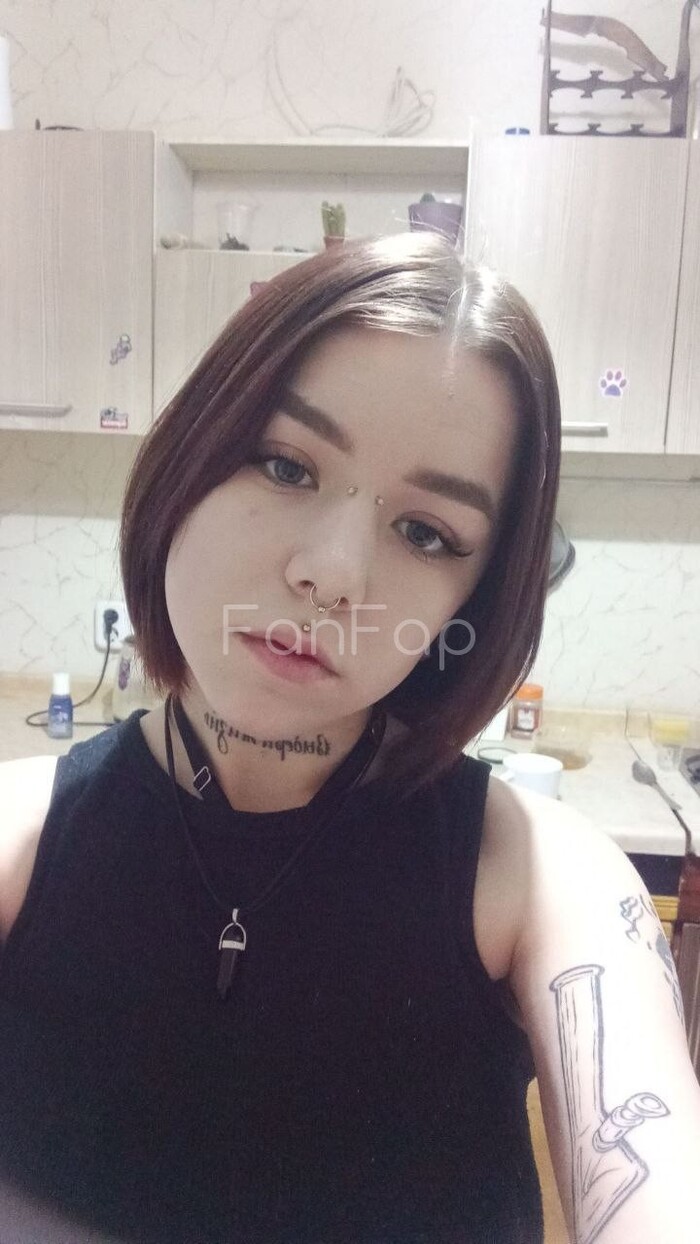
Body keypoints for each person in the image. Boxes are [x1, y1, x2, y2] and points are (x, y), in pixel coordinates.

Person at [0, 231, 698, 1244]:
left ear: (471, 598)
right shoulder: (22, 839)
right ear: (189, 457)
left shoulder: (543, 880)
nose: (332, 574)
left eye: (426, 532)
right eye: (285, 464)